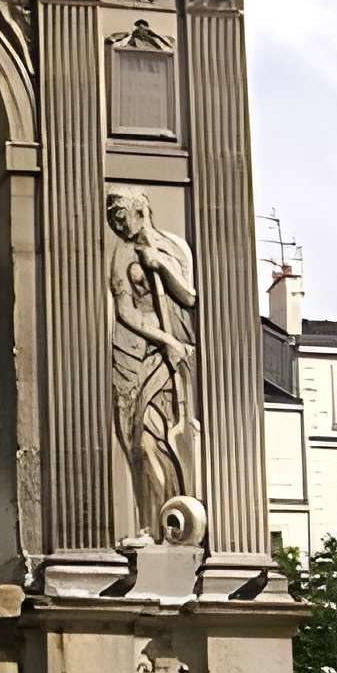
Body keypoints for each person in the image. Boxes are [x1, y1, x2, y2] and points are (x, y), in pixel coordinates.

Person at [106, 188, 201, 547]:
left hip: (173, 355)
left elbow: (189, 296)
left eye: (120, 215)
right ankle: (149, 527)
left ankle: (172, 522)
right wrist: (165, 340)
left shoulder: (176, 246)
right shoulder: (121, 253)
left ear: (141, 209)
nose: (117, 223)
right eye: (113, 219)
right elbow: (125, 311)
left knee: (167, 438)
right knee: (140, 442)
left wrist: (160, 264)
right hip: (137, 352)